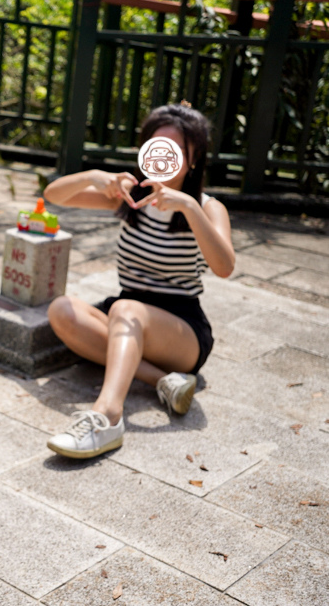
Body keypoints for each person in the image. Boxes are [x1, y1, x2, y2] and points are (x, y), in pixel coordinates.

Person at [42, 103, 235, 459]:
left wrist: (189, 208)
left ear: (193, 160)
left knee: (125, 309)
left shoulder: (207, 207)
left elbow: (224, 266)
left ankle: (107, 417)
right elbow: (52, 196)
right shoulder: (131, 196)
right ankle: (160, 380)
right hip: (126, 315)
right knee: (62, 310)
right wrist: (92, 176)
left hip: (182, 330)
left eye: (175, 151)